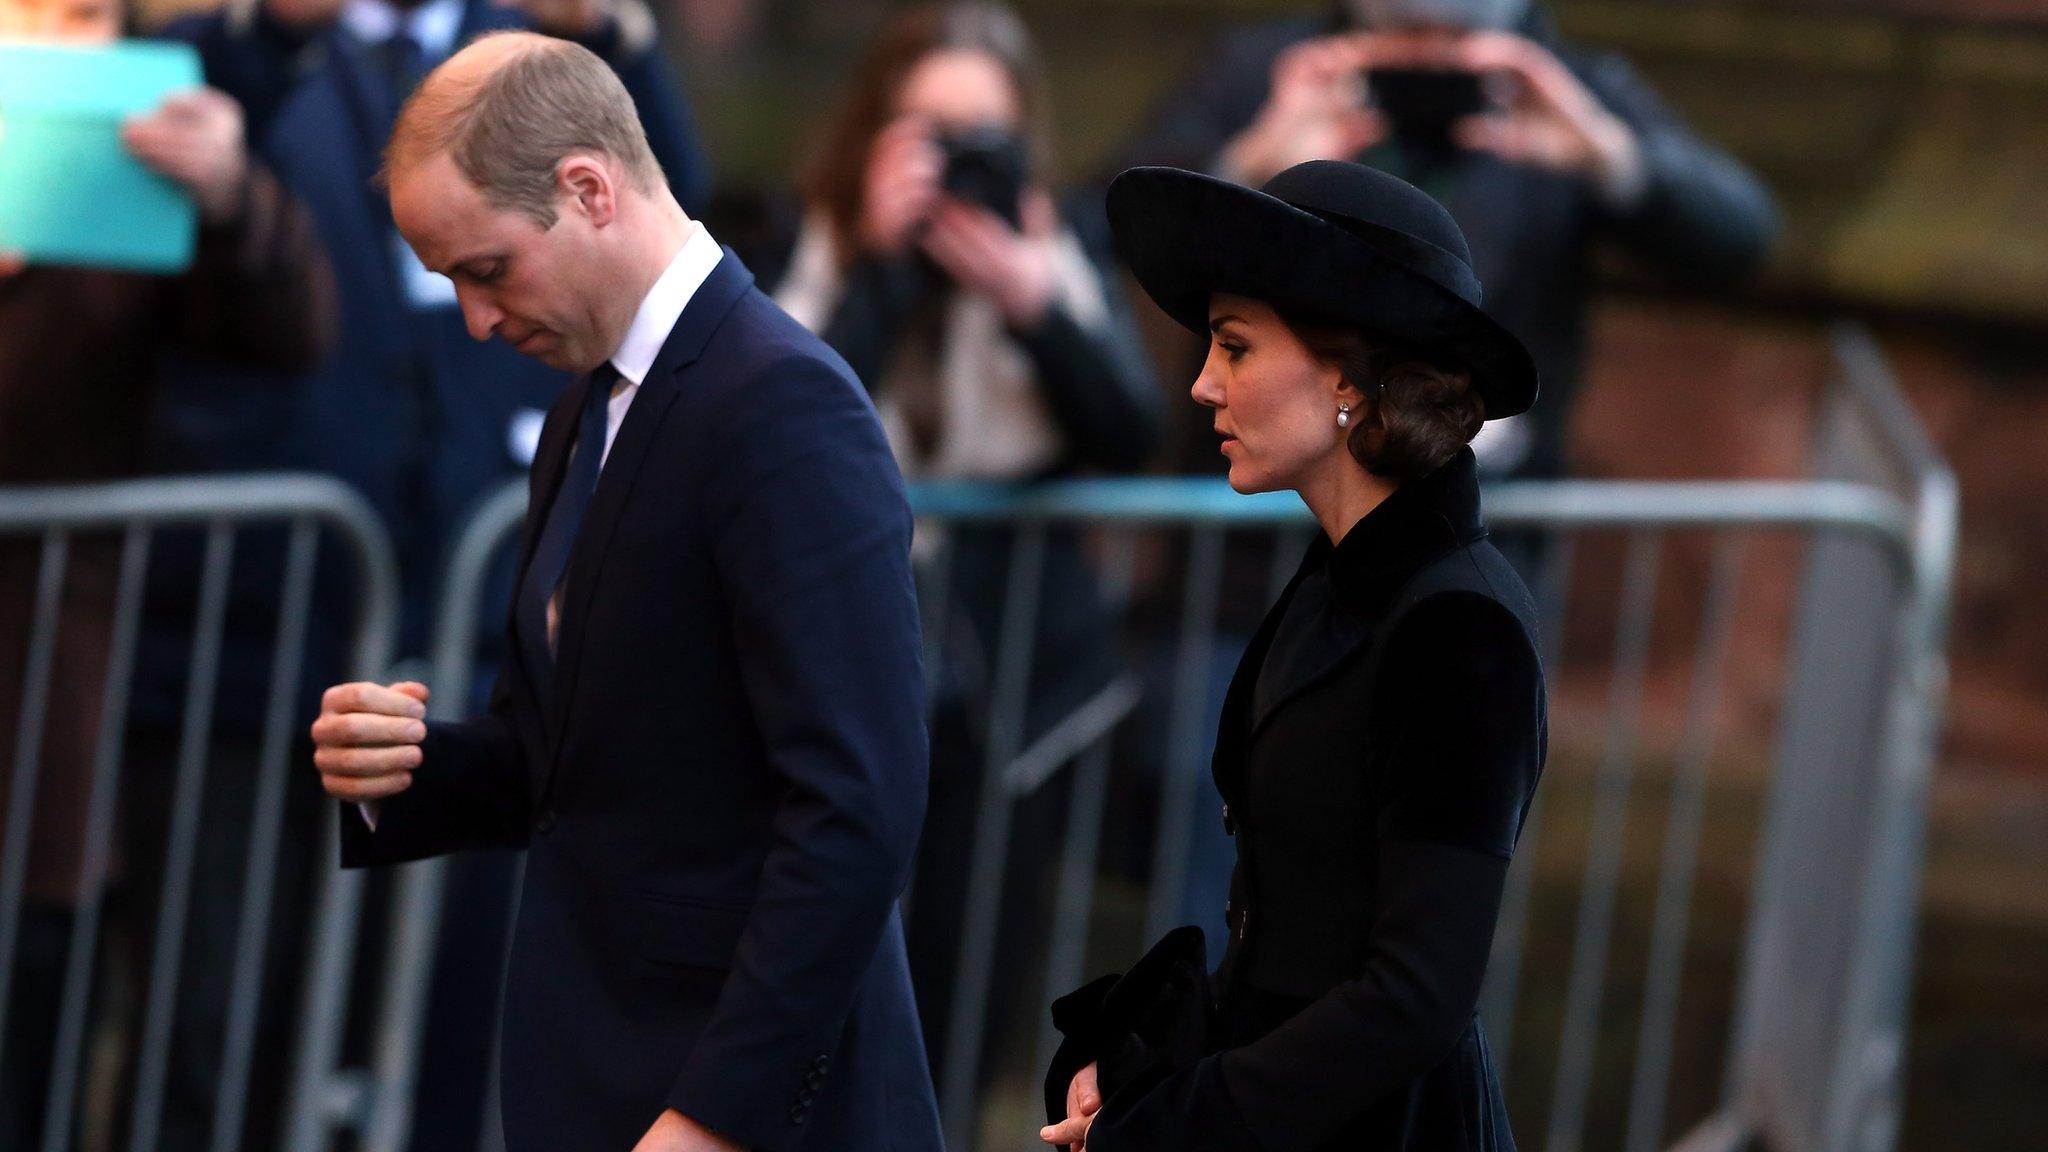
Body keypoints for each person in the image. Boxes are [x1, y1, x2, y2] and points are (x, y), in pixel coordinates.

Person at [309, 33, 941, 1152]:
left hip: (743, 1105)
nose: (475, 320)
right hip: (600, 1073)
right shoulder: (589, 406)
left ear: (587, 188)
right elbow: (573, 759)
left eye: (485, 268)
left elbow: (856, 809)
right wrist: (407, 767)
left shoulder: (784, 404)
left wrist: (712, 1114)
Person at [154, 3, 712, 1145]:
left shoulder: (539, 49)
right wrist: (271, 38)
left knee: (455, 1025)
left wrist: (621, 39)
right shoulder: (232, 43)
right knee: (222, 1025)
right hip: (251, 638)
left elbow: (678, 248)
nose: (475, 314)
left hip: (476, 636)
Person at [1039, 160, 1549, 1151]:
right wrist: (1142, 1065)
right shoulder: (1334, 580)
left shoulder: (1459, 627)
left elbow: (1414, 993)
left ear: (1352, 375)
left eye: (1234, 348)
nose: (1200, 383)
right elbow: (1286, 929)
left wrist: (1175, 1127)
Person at [763, 0, 1160, 1080]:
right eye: (929, 132)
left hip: (1007, 689)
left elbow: (1129, 431)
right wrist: (886, 269)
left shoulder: (1055, 247)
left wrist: (1035, 305)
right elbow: (783, 426)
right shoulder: (805, 239)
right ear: (873, 128)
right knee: (813, 986)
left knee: (962, 999)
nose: (956, 161)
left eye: (981, 135)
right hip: (837, 676)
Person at [0, 0, 334, 1146]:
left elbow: (291, 329)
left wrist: (233, 200)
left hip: (42, 696)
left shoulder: (142, 129)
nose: (52, 35)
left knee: (31, 1040)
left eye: (85, 13)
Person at [1118, 0, 1776, 486]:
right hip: (1258, 520)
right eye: (1404, 32)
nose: (1430, 57)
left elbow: (1740, 238)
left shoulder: (1558, 86)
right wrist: (1249, 165)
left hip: (1480, 505)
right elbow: (1108, 218)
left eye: (1457, 37)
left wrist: (1611, 159)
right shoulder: (1271, 69)